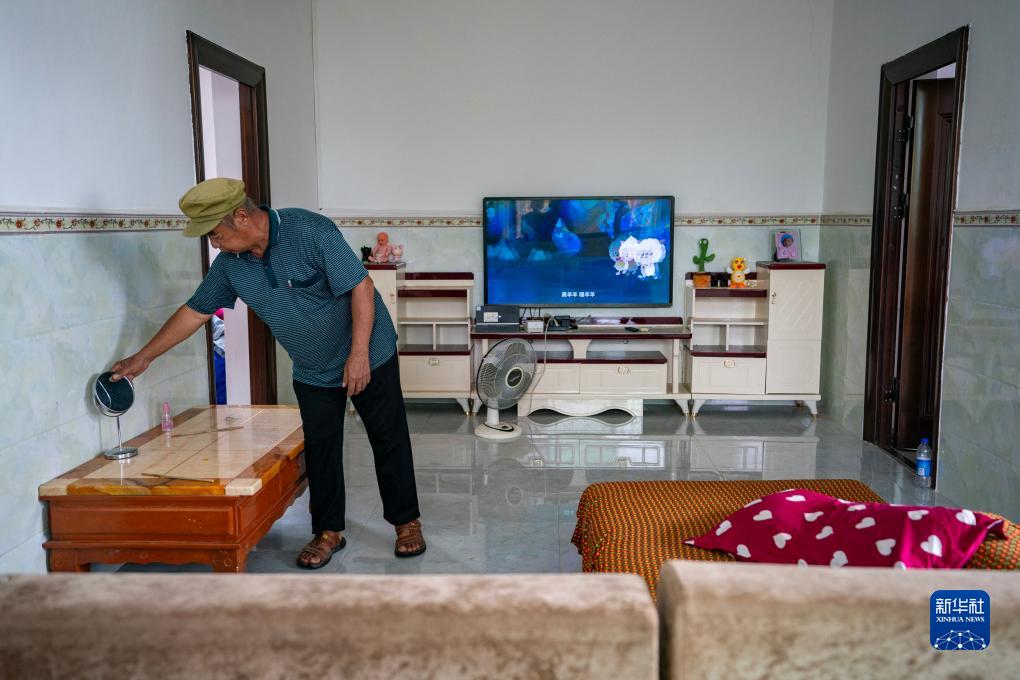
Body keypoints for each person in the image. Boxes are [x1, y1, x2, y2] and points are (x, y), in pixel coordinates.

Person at [110, 177, 426, 567]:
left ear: (241, 217)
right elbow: (195, 312)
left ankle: (406, 523)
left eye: (215, 233)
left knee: (387, 437)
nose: (214, 244)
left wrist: (358, 353)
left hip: (368, 351)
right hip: (313, 367)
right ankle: (328, 532)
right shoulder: (230, 266)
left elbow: (361, 286)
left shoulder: (309, 231)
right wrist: (144, 357)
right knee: (321, 448)